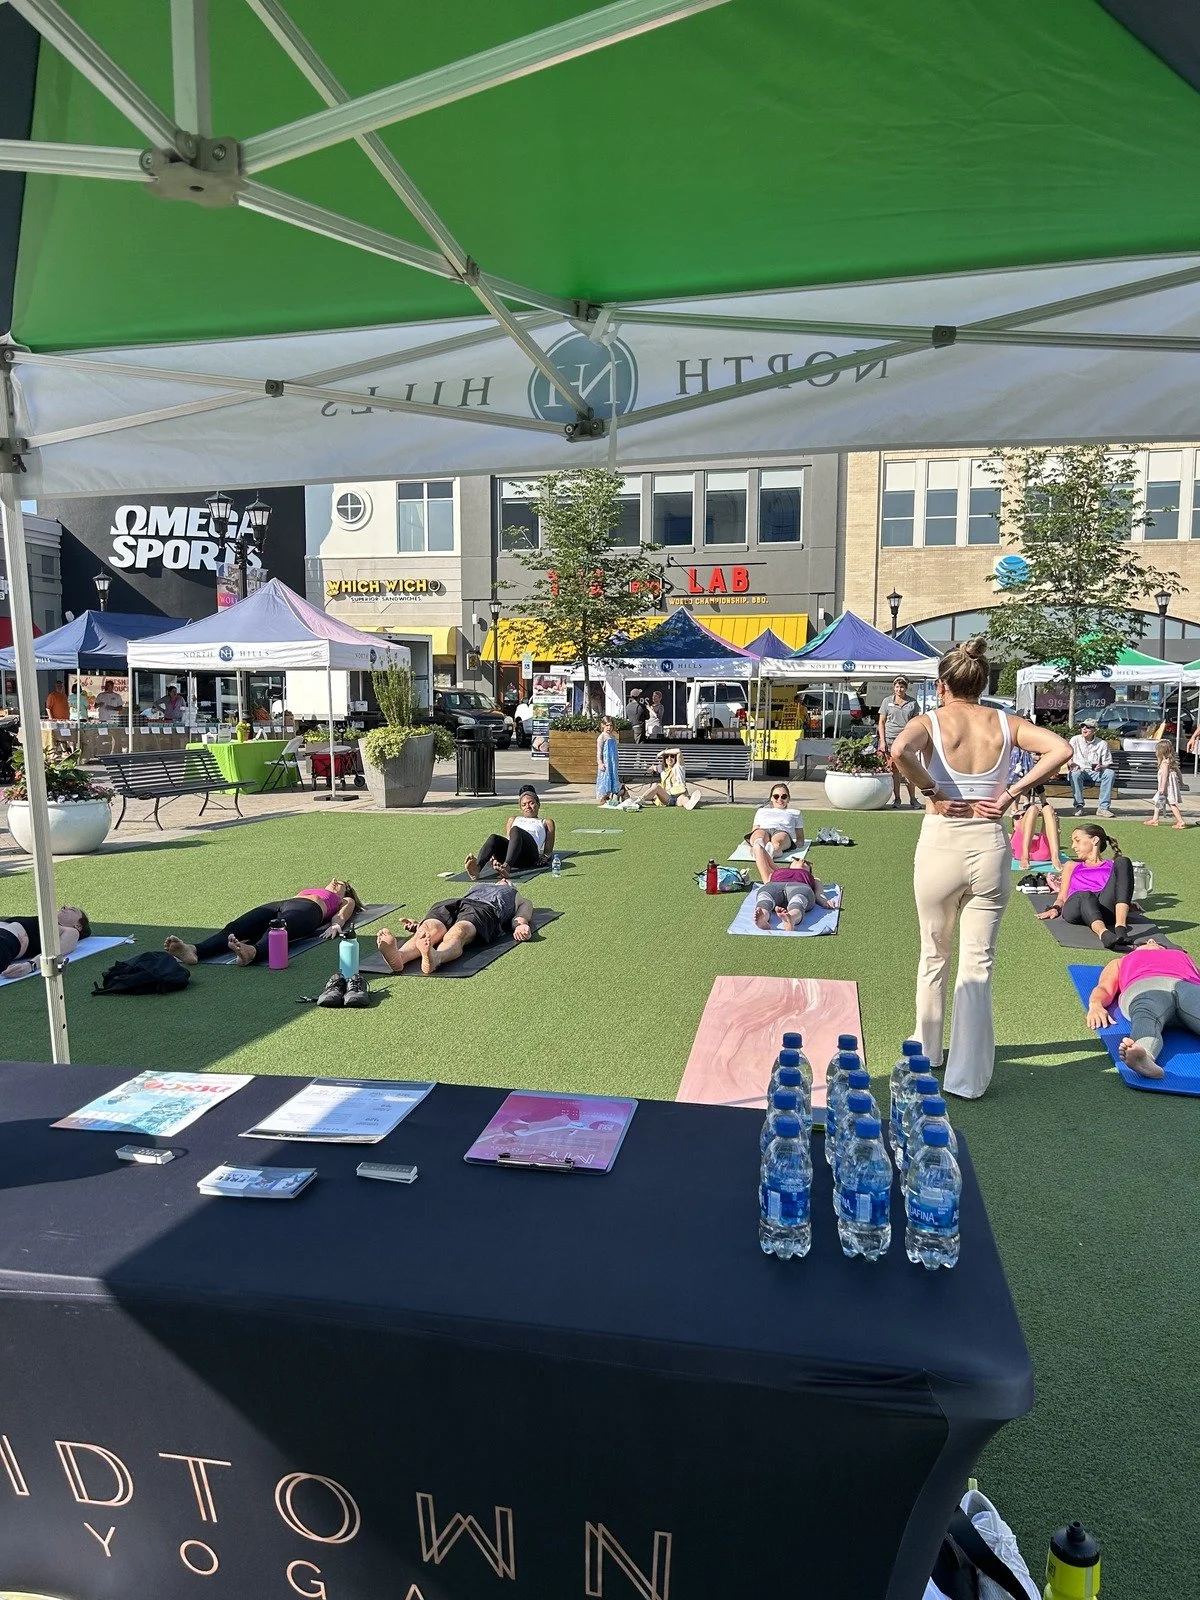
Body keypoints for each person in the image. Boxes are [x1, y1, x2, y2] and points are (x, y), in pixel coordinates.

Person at [890, 638, 1072, 1098]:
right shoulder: (1006, 723)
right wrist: (1010, 793)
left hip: (941, 842)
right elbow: (1060, 749)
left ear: (942, 685)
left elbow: (899, 750)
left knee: (934, 952)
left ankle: (927, 1051)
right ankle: (968, 1079)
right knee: (978, 963)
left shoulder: (929, 721)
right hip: (989, 845)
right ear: (984, 683)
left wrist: (933, 791)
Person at [164, 879, 362, 967]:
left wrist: (336, 925)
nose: (334, 881)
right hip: (281, 904)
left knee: (278, 928)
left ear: (346, 891)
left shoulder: (344, 899)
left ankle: (252, 953)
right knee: (236, 927)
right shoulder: (314, 889)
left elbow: (342, 915)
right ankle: (195, 950)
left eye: (340, 883)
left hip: (310, 910)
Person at [1085, 939, 1200, 1079]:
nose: (1151, 941)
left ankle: (1142, 1053)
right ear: (1135, 949)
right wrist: (1095, 1004)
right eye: (1144, 942)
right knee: (1145, 1014)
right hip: (1145, 985)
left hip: (1187, 986)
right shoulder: (1121, 961)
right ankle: (1144, 1055)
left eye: (1157, 942)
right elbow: (1105, 987)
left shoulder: (1182, 956)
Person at [375, 881, 535, 975]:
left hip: (485, 909)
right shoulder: (480, 885)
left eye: (508, 880)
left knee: (459, 931)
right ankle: (400, 957)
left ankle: (436, 957)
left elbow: (521, 916)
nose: (503, 879)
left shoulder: (516, 895)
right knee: (428, 928)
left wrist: (521, 926)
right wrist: (417, 925)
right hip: (456, 902)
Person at [1036, 824, 1134, 948]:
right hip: (1076, 907)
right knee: (1085, 894)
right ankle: (1103, 934)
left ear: (1095, 840)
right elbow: (1062, 897)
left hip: (1104, 908)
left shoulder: (1112, 865)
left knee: (1123, 861)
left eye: (1077, 841)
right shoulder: (1071, 865)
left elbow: (1121, 889)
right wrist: (1055, 908)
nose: (1073, 846)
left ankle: (1120, 928)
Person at [466, 785, 556, 878]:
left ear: (538, 804)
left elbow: (548, 852)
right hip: (514, 856)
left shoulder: (546, 822)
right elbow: (509, 841)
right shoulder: (513, 819)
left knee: (516, 830)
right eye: (524, 805)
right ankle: (477, 869)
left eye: (531, 803)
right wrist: (495, 856)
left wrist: (545, 857)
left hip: (529, 855)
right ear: (521, 809)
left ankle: (506, 867)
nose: (528, 807)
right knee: (494, 838)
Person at [1007, 742, 1062, 870]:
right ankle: (1026, 856)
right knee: (1032, 808)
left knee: (1047, 808)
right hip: (1022, 851)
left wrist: (1055, 823)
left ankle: (1055, 857)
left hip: (1043, 853)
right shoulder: (1014, 834)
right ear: (1014, 826)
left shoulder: (1035, 834)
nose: (1022, 815)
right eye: (1018, 816)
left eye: (1022, 814)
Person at [0, 905, 91, 979]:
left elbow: (56, 951)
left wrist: (30, 965)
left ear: (78, 926)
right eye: (64, 907)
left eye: (72, 910)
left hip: (5, 942)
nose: (64, 908)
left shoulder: (71, 932)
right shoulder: (43, 921)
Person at [747, 784, 805, 883]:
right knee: (758, 837)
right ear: (771, 798)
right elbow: (755, 829)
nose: (780, 799)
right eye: (776, 796)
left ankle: (766, 852)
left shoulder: (795, 813)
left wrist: (799, 843)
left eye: (784, 796)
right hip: (763, 829)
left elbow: (800, 837)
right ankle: (759, 848)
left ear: (788, 799)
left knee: (777, 841)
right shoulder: (761, 811)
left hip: (782, 831)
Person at [754, 862, 836, 932]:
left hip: (800, 886)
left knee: (798, 899)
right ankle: (762, 917)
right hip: (774, 886)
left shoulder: (814, 879)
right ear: (789, 865)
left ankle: (791, 917)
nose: (802, 861)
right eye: (796, 859)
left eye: (806, 863)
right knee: (765, 896)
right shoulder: (776, 872)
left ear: (809, 871)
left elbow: (819, 893)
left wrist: (824, 901)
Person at [878, 677, 920, 809]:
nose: (899, 689)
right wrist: (882, 741)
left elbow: (916, 723)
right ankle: (897, 799)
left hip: (906, 740)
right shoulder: (887, 701)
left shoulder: (912, 703)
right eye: (897, 686)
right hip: (890, 739)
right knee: (894, 770)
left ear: (906, 688)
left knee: (909, 770)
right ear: (893, 687)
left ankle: (913, 798)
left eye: (902, 687)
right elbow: (881, 722)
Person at [1068, 719, 1114, 817]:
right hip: (1079, 770)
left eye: (1088, 727)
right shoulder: (1075, 740)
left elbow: (1107, 762)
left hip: (1095, 772)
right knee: (1075, 774)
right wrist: (1072, 764)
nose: (1084, 728)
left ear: (1095, 730)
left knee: (1110, 773)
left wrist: (1101, 766)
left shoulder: (1102, 743)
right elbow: (1067, 757)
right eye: (1083, 726)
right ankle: (1078, 806)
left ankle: (1103, 808)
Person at [1146, 737, 1186, 829]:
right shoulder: (1171, 762)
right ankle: (1155, 819)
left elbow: (1165, 777)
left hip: (1166, 787)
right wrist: (1181, 782)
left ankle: (1181, 821)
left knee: (1172, 803)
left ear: (1161, 752)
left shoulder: (1165, 763)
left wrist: (1161, 789)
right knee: (1157, 800)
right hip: (1168, 787)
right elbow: (1179, 773)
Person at [595, 716, 620, 807]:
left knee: (612, 778)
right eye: (607, 725)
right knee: (605, 779)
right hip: (606, 762)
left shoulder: (612, 737)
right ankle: (603, 797)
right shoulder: (602, 737)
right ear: (603, 725)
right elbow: (599, 751)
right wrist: (600, 763)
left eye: (611, 725)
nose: (609, 727)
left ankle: (610, 796)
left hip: (612, 762)